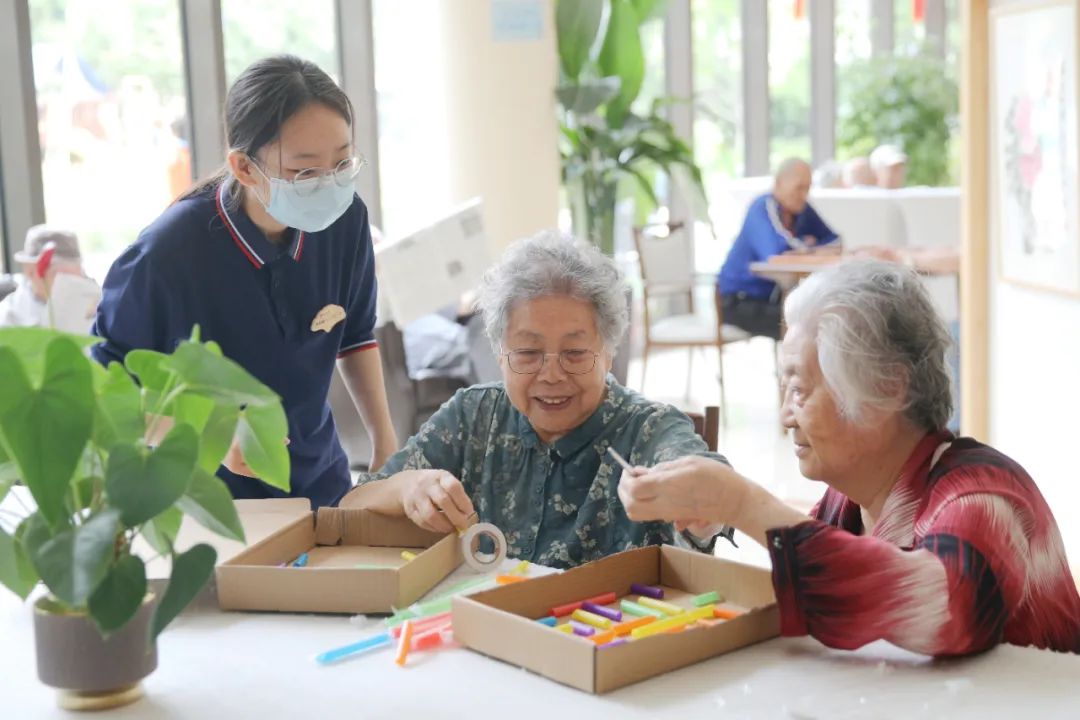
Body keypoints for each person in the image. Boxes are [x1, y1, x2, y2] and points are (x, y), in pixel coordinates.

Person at [620, 260, 1080, 656]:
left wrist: (742, 504)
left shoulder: (981, 497)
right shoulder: (847, 501)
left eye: (799, 390)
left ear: (887, 388)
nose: (785, 416)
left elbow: (943, 611)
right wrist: (713, 513)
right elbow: (826, 584)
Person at [92, 55, 398, 508]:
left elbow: (354, 334)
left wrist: (385, 446)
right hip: (212, 504)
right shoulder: (169, 254)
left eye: (343, 162)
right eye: (305, 171)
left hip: (320, 485)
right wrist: (207, 431)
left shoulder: (345, 220)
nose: (330, 184)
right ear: (244, 168)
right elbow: (104, 393)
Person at [341, 232, 728, 568]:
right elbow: (354, 504)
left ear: (609, 353)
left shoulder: (649, 430)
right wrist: (407, 486)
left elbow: (714, 487)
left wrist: (702, 511)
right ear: (499, 354)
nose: (552, 374)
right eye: (527, 353)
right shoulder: (473, 417)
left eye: (575, 354)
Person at [717, 158, 839, 340]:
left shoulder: (802, 209)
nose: (804, 194)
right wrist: (807, 245)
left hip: (772, 299)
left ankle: (797, 369)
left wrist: (804, 247)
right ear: (778, 184)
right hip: (737, 302)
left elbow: (835, 242)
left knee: (825, 316)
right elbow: (776, 252)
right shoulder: (763, 207)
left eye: (807, 188)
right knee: (812, 324)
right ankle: (793, 369)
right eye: (799, 187)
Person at [0, 225, 93, 328]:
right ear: (30, 272)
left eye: (76, 276)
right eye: (60, 274)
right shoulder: (9, 315)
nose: (70, 283)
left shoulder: (95, 307)